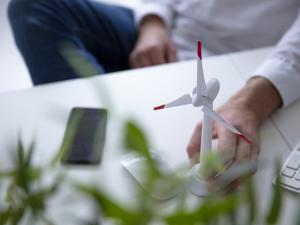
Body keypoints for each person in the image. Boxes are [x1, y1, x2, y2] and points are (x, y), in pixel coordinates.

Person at [8, 0, 300, 174]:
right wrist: (153, 21)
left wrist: (250, 102)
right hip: (170, 32)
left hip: (244, 62)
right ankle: (99, 143)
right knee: (34, 7)